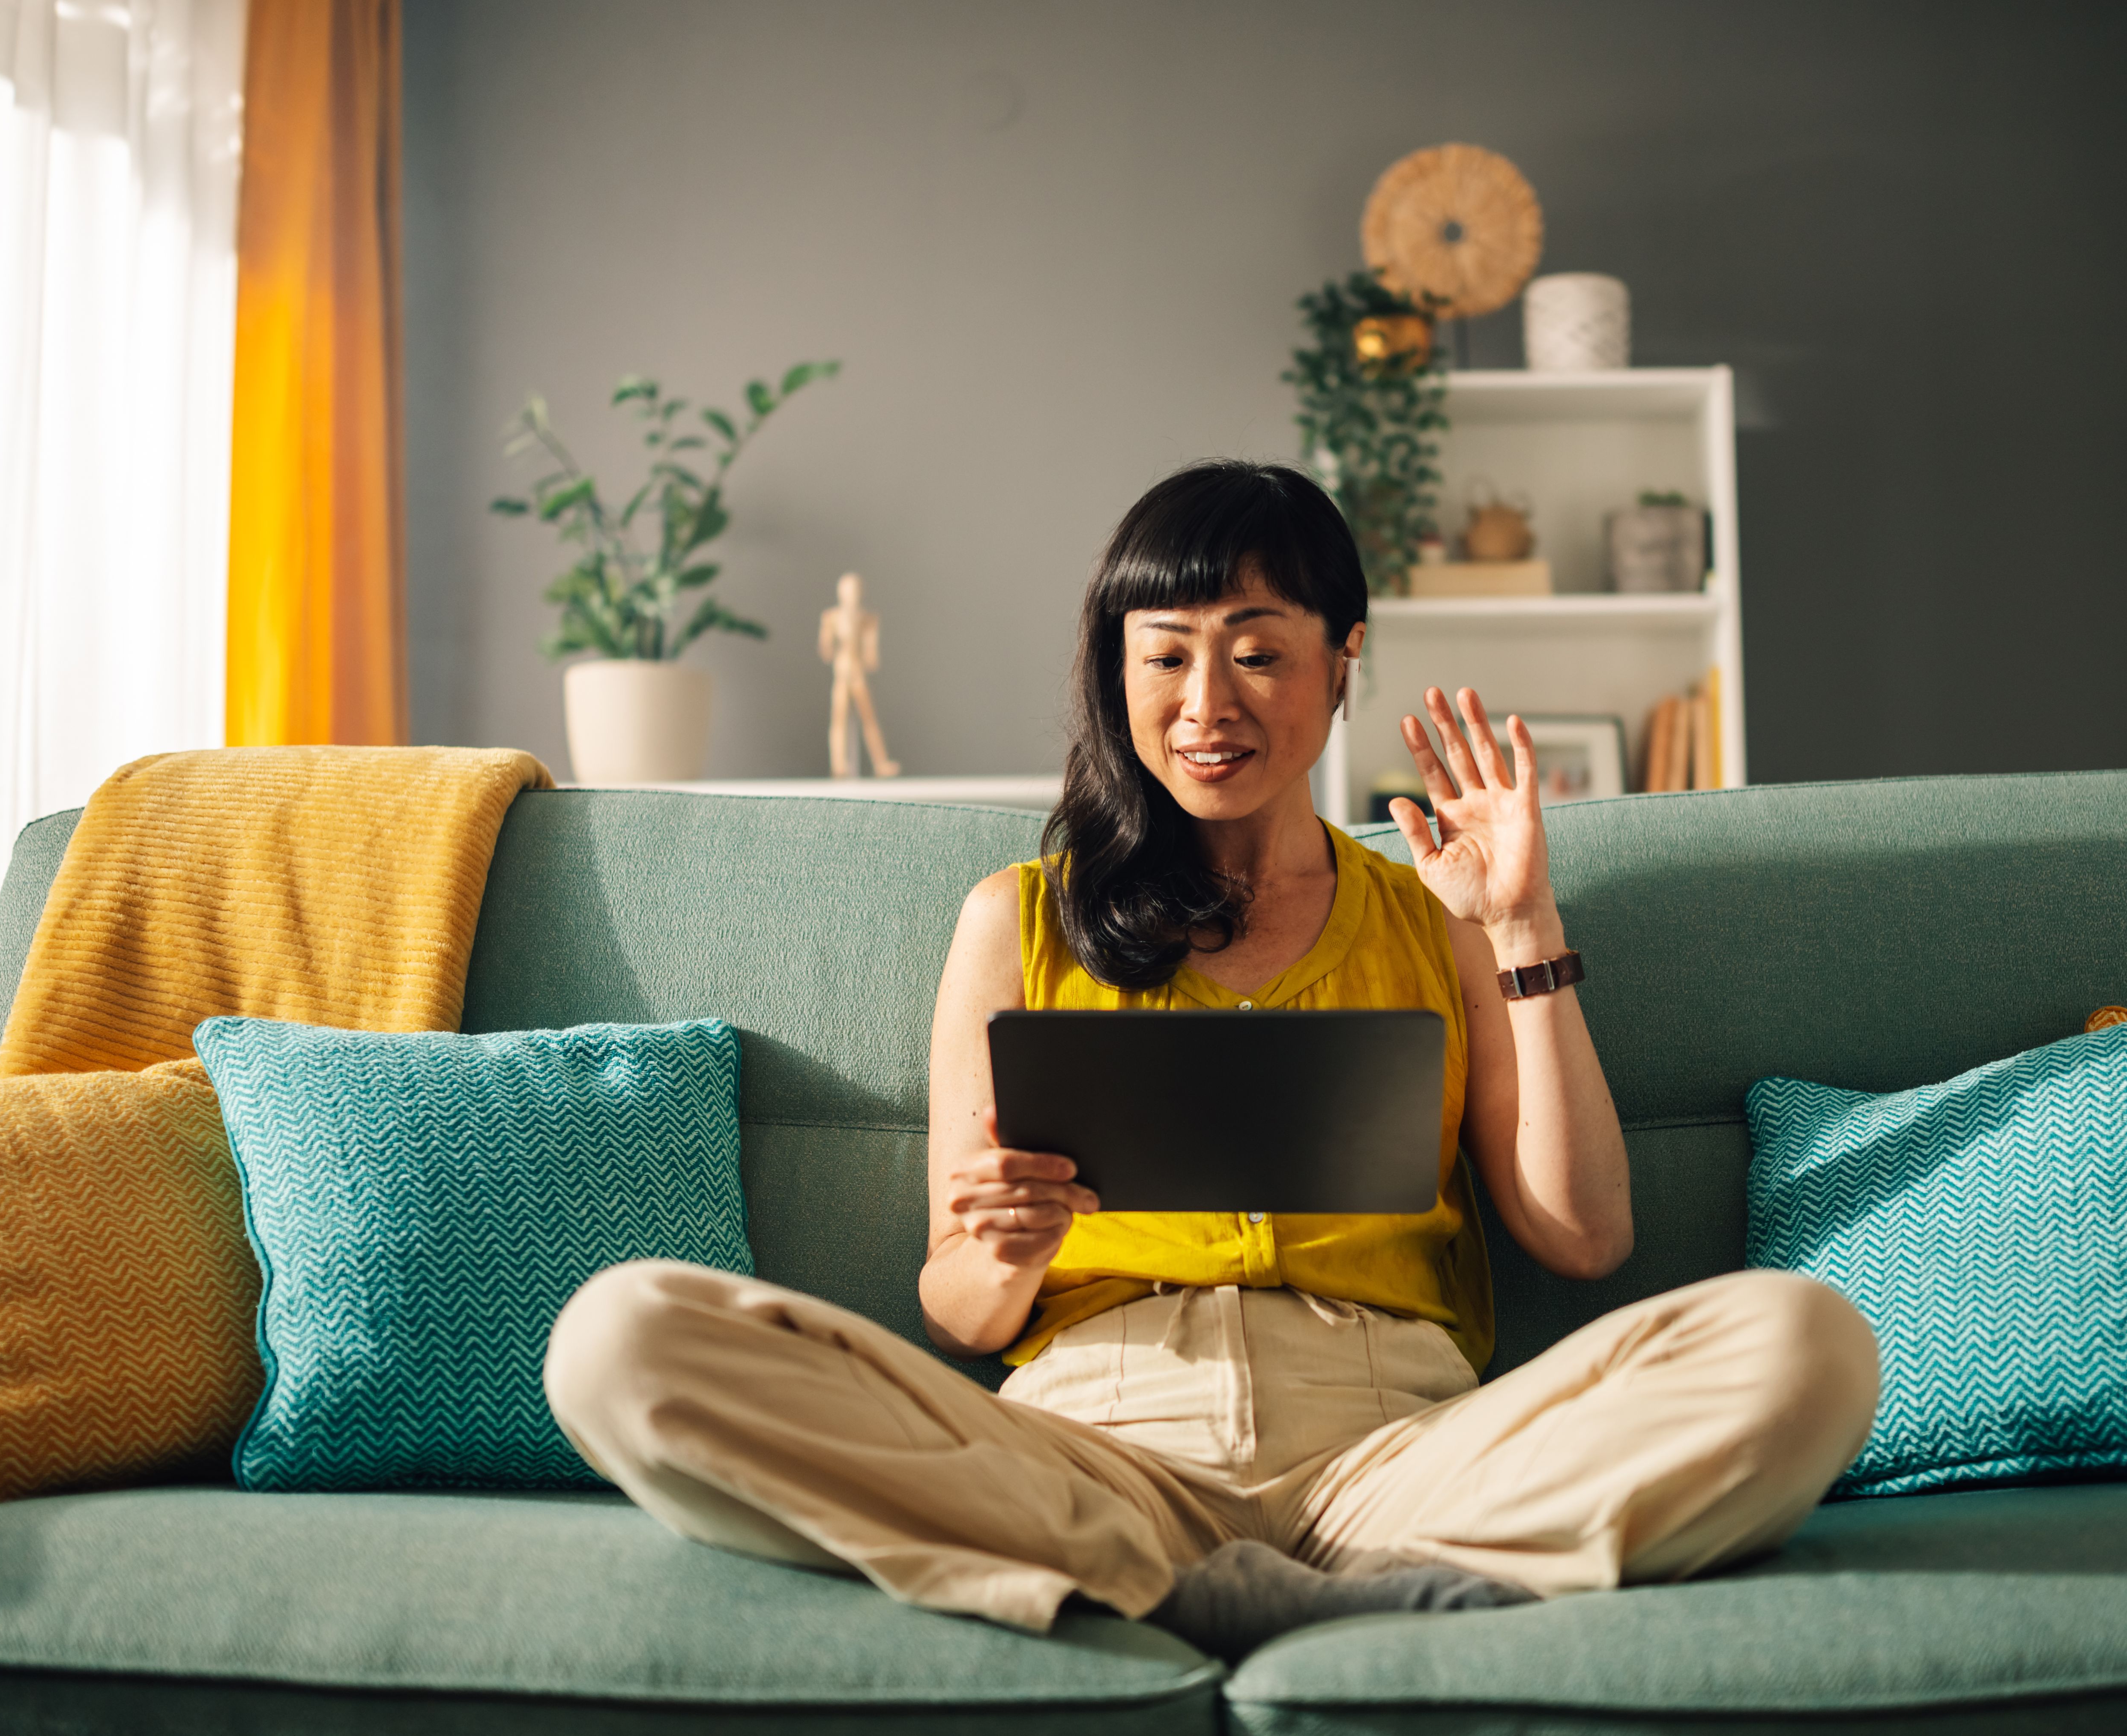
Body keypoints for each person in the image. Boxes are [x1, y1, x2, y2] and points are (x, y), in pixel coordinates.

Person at [545, 461, 1878, 1657]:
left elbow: (1584, 1239)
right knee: (623, 1339)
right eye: (1167, 656)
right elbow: (959, 1312)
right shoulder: (1014, 920)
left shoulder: (1441, 916)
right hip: (1090, 1457)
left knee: (1803, 1344)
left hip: (1400, 1454)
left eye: (1258, 653)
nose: (1206, 704)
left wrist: (1523, 922)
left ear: (1344, 657)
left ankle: (1167, 1597)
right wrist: (1003, 1248)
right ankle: (1223, 1585)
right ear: (1115, 670)